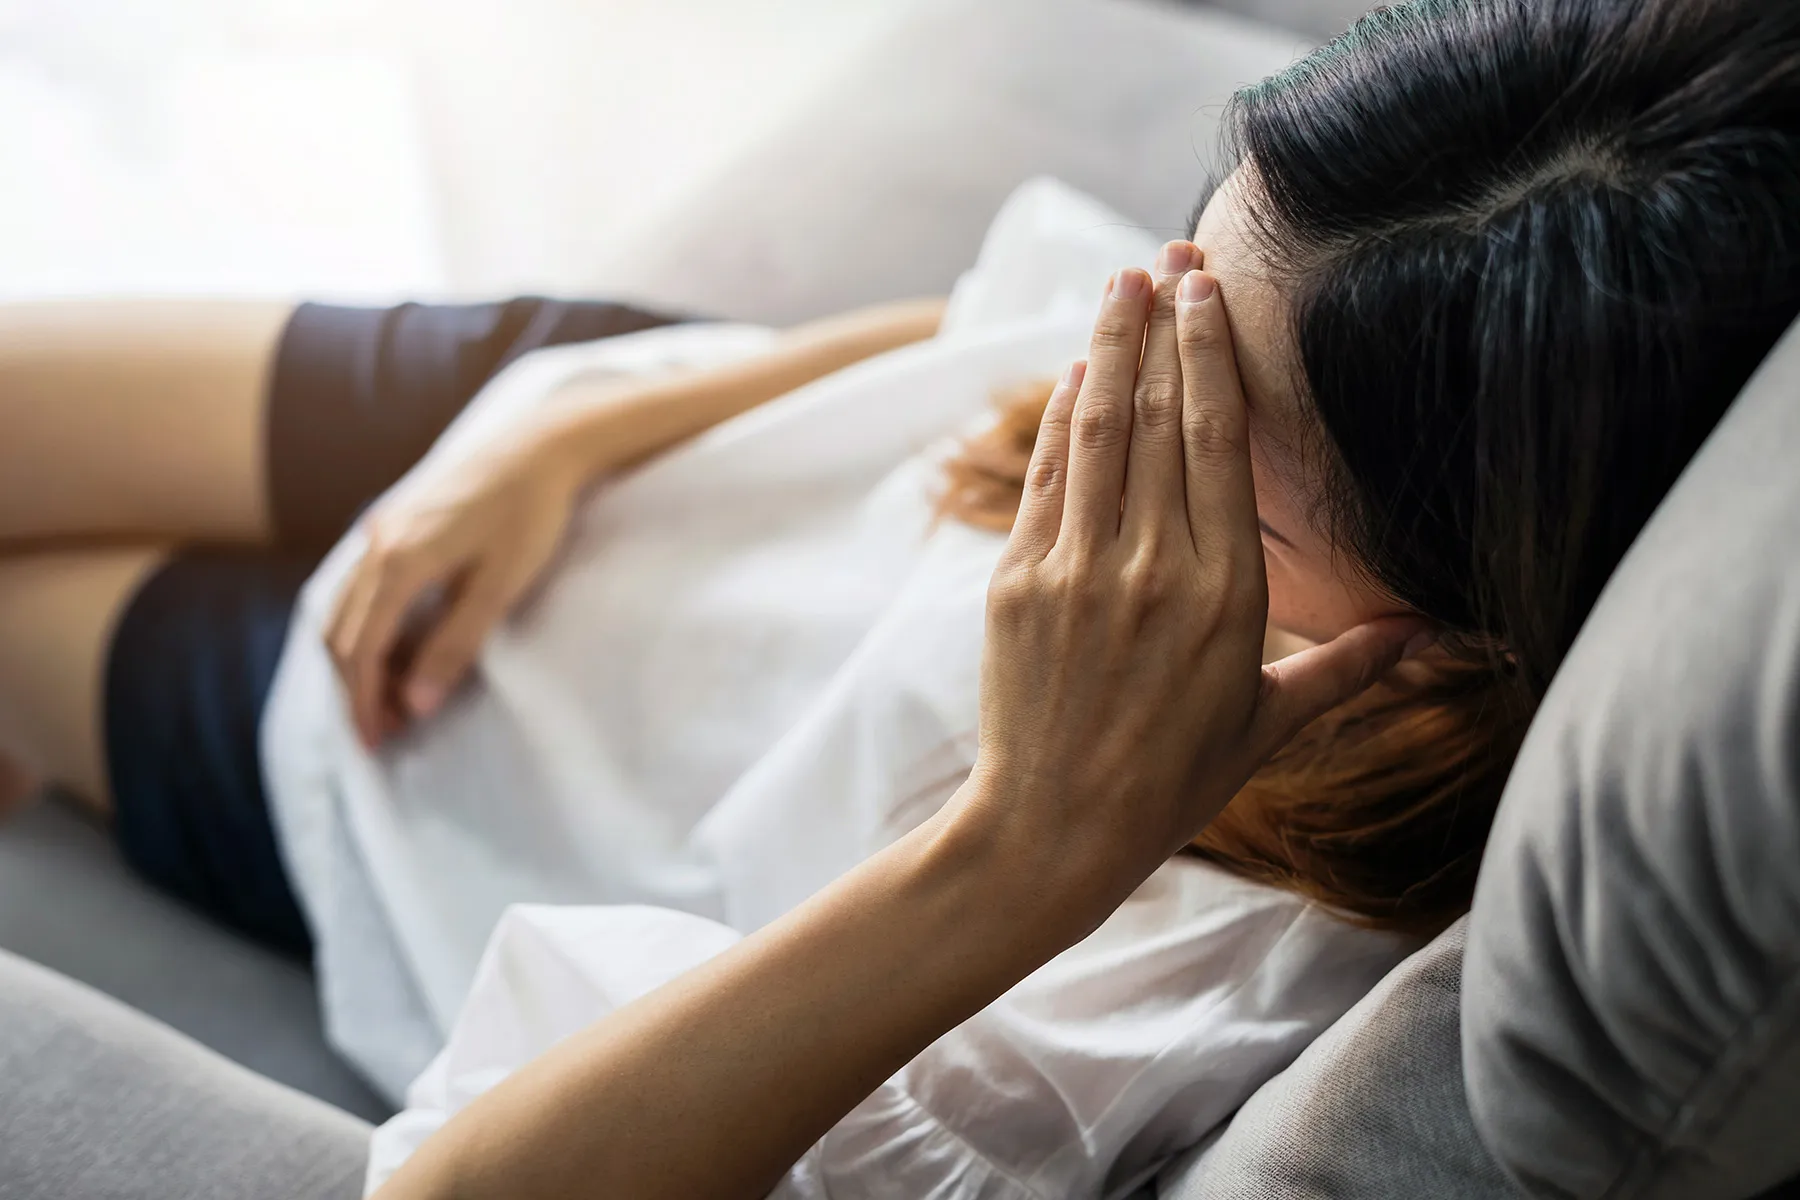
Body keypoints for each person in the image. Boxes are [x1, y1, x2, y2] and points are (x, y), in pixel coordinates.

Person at [2, 0, 1798, 1194]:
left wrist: (1025, 842)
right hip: (599, 440)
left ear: (1443, 643)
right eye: (1167, 285)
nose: (1118, 376)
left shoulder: (1177, 988)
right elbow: (998, 340)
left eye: (1183, 418)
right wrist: (606, 415)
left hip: (402, 727)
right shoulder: (1308, 352)